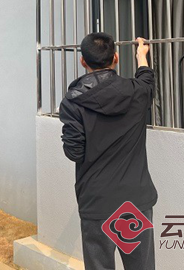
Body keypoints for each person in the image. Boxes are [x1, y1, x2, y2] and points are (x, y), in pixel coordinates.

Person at [59, 33, 157, 270]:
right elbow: (147, 79)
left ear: (83, 61)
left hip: (97, 201)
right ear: (116, 57)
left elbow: (74, 152)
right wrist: (141, 55)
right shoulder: (137, 92)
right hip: (134, 199)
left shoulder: (73, 102)